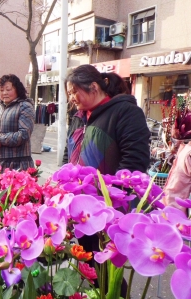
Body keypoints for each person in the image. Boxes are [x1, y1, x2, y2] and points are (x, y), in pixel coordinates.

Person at [62, 64, 150, 297]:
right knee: (87, 266)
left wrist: (109, 195)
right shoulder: (79, 116)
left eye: (74, 92)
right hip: (80, 208)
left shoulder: (125, 112)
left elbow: (135, 160)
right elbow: (68, 152)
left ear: (93, 87)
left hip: (109, 209)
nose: (72, 98)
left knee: (109, 272)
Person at [0, 74, 35, 171]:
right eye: (1, 90)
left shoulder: (24, 106)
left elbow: (24, 134)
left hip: (18, 164)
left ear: (17, 89)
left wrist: (0, 141)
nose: (4, 93)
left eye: (8, 90)